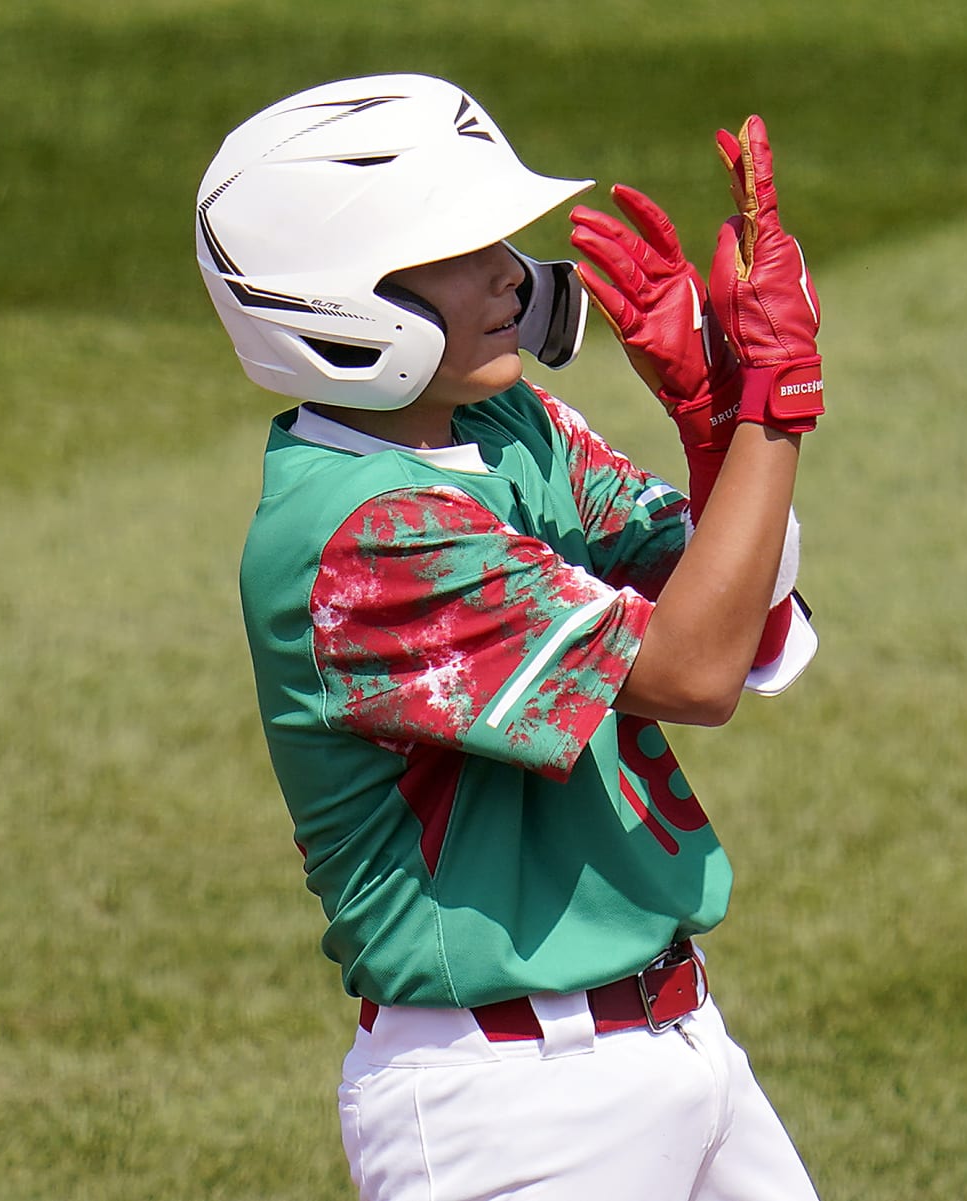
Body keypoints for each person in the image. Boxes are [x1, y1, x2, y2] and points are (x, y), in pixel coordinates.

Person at [194, 73, 827, 1200]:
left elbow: (752, 616)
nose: (508, 272)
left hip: (681, 1048)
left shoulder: (507, 424)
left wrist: (718, 420)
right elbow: (695, 671)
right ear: (338, 294)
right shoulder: (362, 537)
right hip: (515, 1109)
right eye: (454, 249)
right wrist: (774, 405)